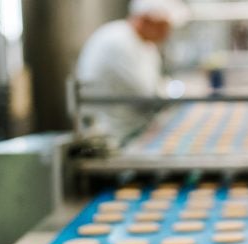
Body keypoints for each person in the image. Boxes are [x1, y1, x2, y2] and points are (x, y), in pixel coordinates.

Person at [75, 0, 188, 144]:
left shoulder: (144, 43)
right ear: (147, 20)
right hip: (112, 137)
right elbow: (145, 95)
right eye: (164, 27)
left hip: (133, 128)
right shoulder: (118, 41)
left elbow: (156, 86)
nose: (167, 33)